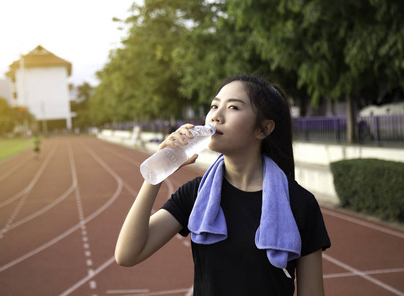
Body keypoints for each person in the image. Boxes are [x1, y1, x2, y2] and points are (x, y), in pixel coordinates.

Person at [115, 75, 331, 295]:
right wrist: (157, 171)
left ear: (263, 129)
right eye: (214, 106)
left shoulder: (299, 203)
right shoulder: (197, 194)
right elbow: (128, 254)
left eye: (233, 107)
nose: (216, 116)